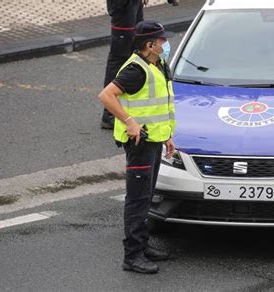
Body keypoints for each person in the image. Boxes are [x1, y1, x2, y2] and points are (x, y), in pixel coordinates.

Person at [98, 20, 176, 274]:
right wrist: (129, 121)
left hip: (153, 139)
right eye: (162, 41)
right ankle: (132, 256)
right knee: (138, 200)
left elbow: (158, 107)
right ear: (149, 44)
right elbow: (106, 96)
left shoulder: (158, 64)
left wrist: (167, 136)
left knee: (146, 197)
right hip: (139, 142)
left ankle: (142, 246)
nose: (166, 45)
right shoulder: (136, 70)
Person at [101, 0, 178, 129]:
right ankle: (109, 114)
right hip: (123, 7)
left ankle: (129, 102)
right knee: (119, 58)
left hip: (133, 4)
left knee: (138, 47)